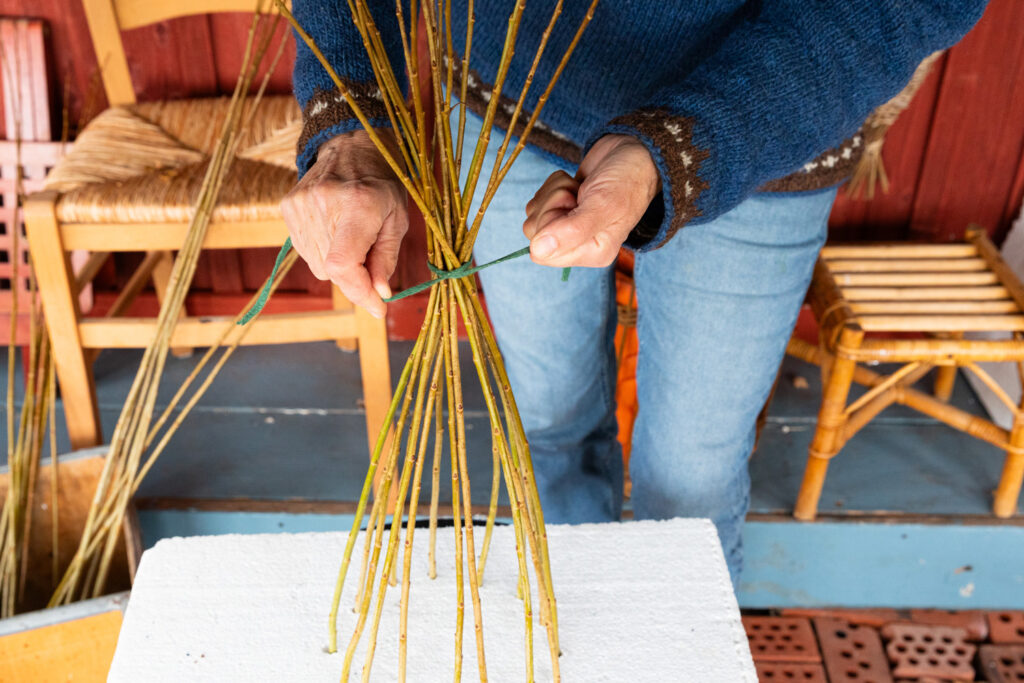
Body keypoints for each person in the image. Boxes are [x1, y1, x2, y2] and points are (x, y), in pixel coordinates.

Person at [282, 1, 987, 584]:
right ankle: (575, 629)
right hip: (506, 100)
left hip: (760, 120)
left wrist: (671, 151)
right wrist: (349, 123)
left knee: (692, 478)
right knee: (550, 425)